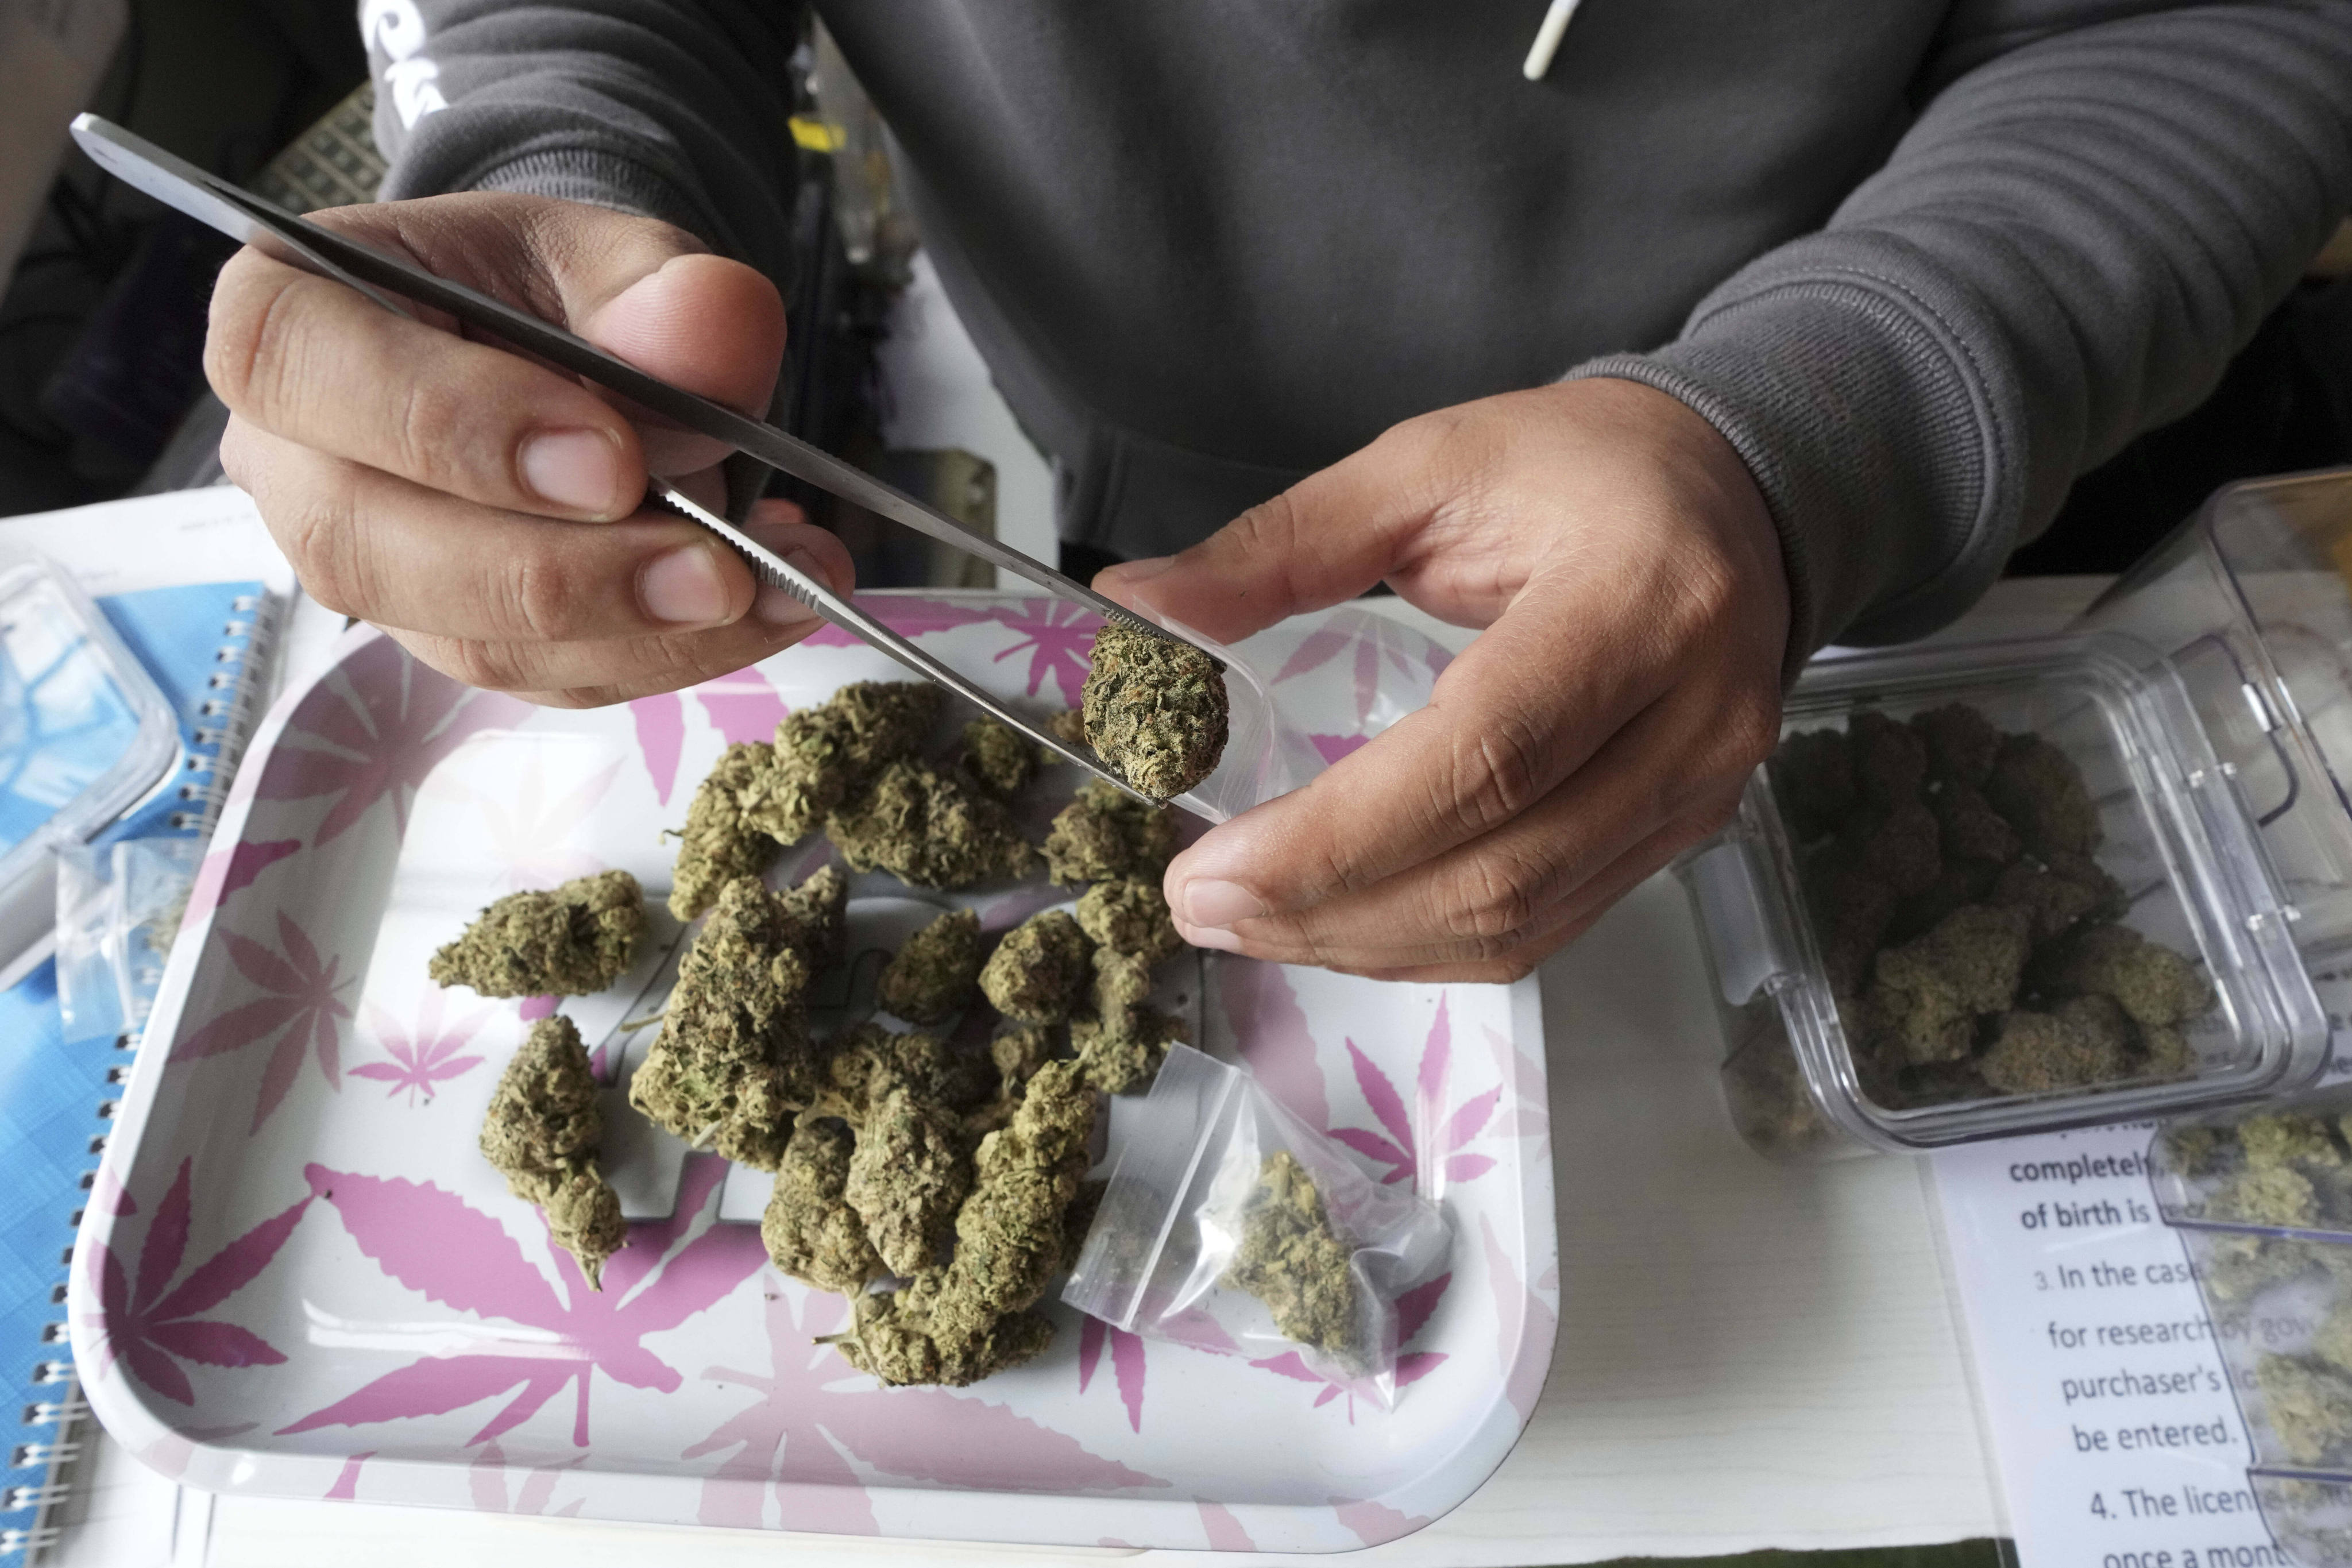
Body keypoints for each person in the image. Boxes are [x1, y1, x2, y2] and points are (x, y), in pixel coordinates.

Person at [203, 1, 2352, 982]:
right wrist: (559, 190)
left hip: (1846, 539)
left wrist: (1812, 432)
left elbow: (2211, 23)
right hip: (1113, 459)